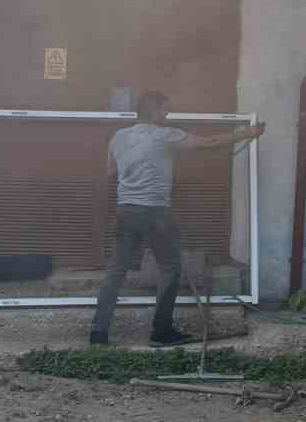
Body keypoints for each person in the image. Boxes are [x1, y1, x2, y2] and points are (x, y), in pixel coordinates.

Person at [90, 90, 265, 347]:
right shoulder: (165, 135)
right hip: (155, 211)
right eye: (164, 110)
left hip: (126, 210)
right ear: (154, 111)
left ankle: (98, 332)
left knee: (115, 271)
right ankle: (161, 332)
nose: (167, 114)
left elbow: (110, 171)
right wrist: (247, 134)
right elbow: (210, 142)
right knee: (170, 268)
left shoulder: (119, 137)